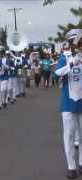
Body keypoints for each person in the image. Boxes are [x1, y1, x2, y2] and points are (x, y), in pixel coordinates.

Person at [55, 29, 82, 179]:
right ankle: (71, 166)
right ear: (71, 43)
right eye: (77, 42)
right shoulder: (63, 57)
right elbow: (57, 73)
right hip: (68, 101)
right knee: (70, 134)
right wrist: (71, 64)